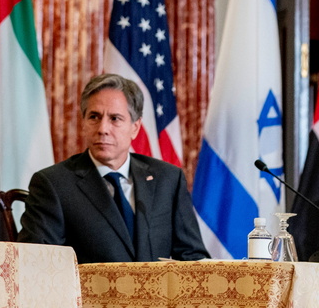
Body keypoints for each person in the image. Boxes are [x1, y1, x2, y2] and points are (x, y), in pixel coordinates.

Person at [18, 73, 208, 263]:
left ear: (135, 127)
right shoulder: (54, 184)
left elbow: (193, 257)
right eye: (94, 117)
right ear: (83, 123)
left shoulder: (167, 179)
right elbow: (37, 264)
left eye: (115, 119)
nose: (103, 129)